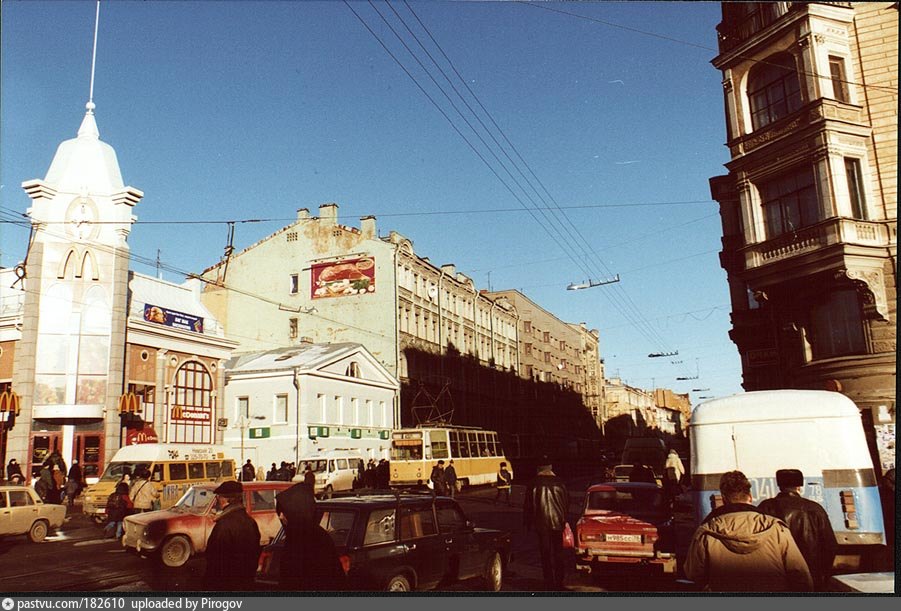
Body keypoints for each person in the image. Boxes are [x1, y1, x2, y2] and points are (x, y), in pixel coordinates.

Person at [684, 470, 813, 592]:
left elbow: (693, 573)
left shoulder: (706, 533)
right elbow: (800, 573)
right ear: (750, 497)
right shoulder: (776, 528)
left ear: (723, 499)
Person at [758, 469, 836, 590]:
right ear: (799, 486)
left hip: (777, 576)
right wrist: (822, 575)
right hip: (810, 575)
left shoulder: (766, 507)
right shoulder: (815, 508)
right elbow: (830, 545)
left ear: (779, 485)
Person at [276, 479, 345, 591]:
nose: (281, 517)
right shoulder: (300, 537)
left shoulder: (313, 540)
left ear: (296, 512)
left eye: (284, 512)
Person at [204, 481, 261, 591]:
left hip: (226, 583)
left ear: (224, 499)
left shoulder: (224, 524)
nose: (217, 500)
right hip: (245, 580)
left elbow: (214, 558)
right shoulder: (250, 521)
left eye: (218, 497)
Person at [523, 459, 569, 591]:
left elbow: (528, 506)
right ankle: (559, 581)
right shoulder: (560, 482)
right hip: (558, 522)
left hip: (540, 523)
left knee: (545, 553)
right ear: (551, 469)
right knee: (558, 552)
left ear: (539, 470)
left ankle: (548, 581)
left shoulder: (533, 483)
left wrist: (527, 522)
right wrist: (563, 519)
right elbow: (567, 502)